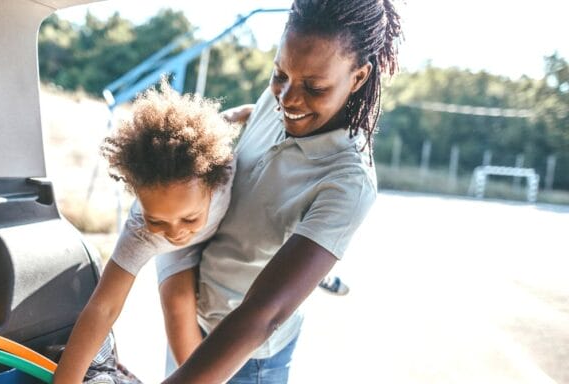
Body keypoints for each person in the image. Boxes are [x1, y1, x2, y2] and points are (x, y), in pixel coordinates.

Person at [158, 0, 403, 382]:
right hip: (195, 318)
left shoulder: (348, 181)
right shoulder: (280, 101)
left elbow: (264, 314)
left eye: (314, 87)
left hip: (245, 356)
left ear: (358, 77)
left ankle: (320, 270)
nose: (288, 98)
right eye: (279, 74)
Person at [51, 81, 240, 384]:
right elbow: (103, 307)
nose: (175, 231)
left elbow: (227, 120)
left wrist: (248, 112)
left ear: (214, 184)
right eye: (158, 220)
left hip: (220, 232)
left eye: (188, 218)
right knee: (177, 301)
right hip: (173, 256)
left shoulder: (223, 167)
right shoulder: (143, 232)